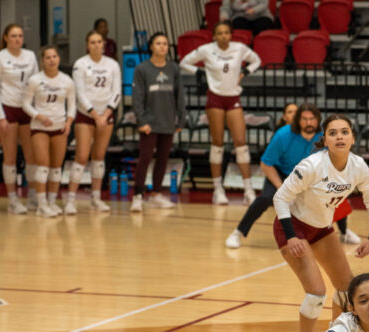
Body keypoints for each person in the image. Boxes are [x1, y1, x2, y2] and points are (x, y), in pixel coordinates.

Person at [273, 114, 369, 332]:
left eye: (345, 132)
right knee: (316, 293)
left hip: (322, 229)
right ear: (326, 139)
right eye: (333, 133)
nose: (340, 137)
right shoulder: (312, 165)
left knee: (348, 290)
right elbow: (280, 198)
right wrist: (291, 236)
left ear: (353, 138)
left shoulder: (358, 167)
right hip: (294, 228)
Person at [225, 103, 362, 249]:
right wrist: (281, 187)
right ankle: (238, 232)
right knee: (265, 198)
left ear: (318, 120)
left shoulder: (326, 134)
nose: (309, 122)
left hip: (311, 176)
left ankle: (344, 231)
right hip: (282, 174)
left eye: (312, 118)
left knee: (334, 191)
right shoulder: (283, 135)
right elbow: (266, 164)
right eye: (304, 119)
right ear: (298, 120)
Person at [180, 21, 261, 206]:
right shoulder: (206, 49)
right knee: (217, 144)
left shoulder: (239, 48)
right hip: (215, 98)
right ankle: (218, 190)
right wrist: (198, 72)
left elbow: (256, 60)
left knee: (241, 143)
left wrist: (245, 71)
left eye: (226, 32)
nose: (223, 36)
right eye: (219, 33)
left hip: (233, 98)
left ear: (231, 35)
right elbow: (184, 62)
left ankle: (248, 189)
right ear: (214, 36)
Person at [65, 30, 122, 215]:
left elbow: (117, 92)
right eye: (92, 42)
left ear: (104, 44)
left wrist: (105, 114)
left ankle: (96, 199)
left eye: (99, 42)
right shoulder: (80, 64)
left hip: (106, 115)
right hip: (86, 115)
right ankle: (71, 200)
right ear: (86, 45)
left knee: (98, 157)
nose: (97, 45)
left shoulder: (112, 64)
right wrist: (95, 115)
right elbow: (79, 93)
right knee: (82, 156)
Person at [130, 32, 186, 212]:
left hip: (168, 121)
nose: (162, 46)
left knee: (163, 159)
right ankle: (138, 195)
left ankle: (155, 194)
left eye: (165, 43)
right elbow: (137, 97)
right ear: (151, 47)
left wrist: (181, 119)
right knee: (145, 158)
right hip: (149, 121)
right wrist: (141, 120)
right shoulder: (142, 69)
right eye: (158, 43)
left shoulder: (173, 69)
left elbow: (179, 96)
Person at [22, 45, 75, 218]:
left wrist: (69, 122)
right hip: (40, 128)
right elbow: (26, 104)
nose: (52, 60)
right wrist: (38, 116)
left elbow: (72, 106)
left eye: (54, 56)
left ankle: (52, 202)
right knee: (43, 165)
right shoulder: (35, 80)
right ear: (43, 61)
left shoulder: (67, 80)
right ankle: (41, 204)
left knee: (56, 167)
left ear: (59, 58)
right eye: (48, 57)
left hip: (59, 127)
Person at [0, 24, 38, 215]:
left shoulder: (30, 56)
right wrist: (0, 117)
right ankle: (13, 199)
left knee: (31, 155)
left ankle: (32, 195)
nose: (17, 39)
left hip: (27, 108)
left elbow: (37, 83)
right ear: (6, 38)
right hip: (8, 108)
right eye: (13, 36)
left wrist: (36, 111)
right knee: (10, 156)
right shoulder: (0, 57)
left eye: (20, 36)